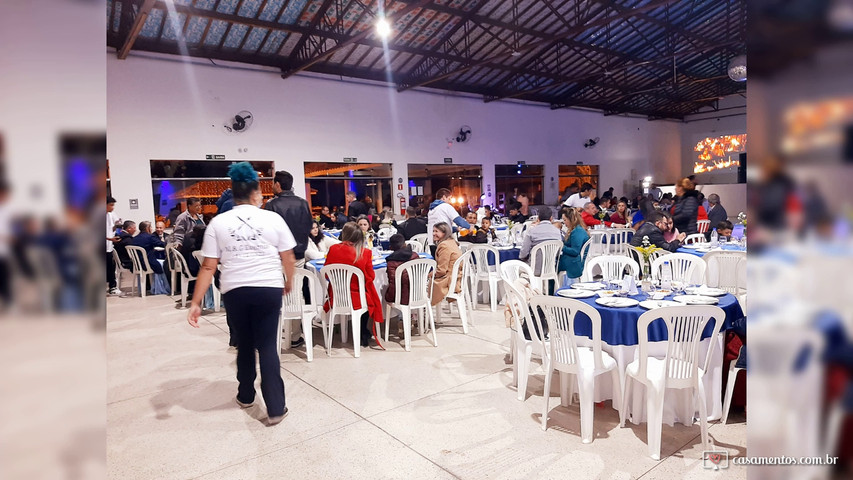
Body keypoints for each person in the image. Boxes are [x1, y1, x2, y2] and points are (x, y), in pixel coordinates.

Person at [187, 162, 296, 426]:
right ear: (257, 193)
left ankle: (246, 395)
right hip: (268, 287)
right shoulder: (272, 218)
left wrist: (196, 301)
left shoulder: (218, 223)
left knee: (245, 344)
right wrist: (289, 281)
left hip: (235, 290)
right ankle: (276, 407)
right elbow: (288, 256)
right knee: (267, 345)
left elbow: (209, 265)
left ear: (233, 194)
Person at [323, 222, 384, 348]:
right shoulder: (365, 253)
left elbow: (327, 275)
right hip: (357, 297)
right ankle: (363, 332)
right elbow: (370, 277)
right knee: (369, 296)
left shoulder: (333, 250)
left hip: (337, 296)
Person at [264, 170, 313, 267]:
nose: (272, 186)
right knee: (298, 281)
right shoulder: (303, 203)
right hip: (299, 255)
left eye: (273, 184)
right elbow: (309, 225)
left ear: (277, 184)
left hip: (280, 257)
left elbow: (268, 232)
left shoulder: (272, 204)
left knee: (283, 282)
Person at [430, 222, 463, 306]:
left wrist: (428, 275)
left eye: (436, 231)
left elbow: (441, 271)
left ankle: (421, 311)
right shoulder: (452, 242)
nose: (434, 234)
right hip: (456, 277)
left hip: (449, 280)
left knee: (420, 283)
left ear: (444, 233)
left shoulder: (444, 246)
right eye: (433, 231)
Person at [384, 233, 419, 306]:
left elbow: (393, 284)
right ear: (405, 244)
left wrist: (388, 297)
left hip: (402, 298)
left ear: (391, 247)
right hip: (419, 293)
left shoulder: (391, 262)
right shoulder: (415, 256)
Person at [558, 208, 589, 285]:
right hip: (573, 260)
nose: (564, 223)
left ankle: (551, 290)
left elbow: (575, 251)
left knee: (552, 264)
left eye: (565, 220)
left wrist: (561, 246)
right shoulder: (577, 229)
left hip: (573, 262)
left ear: (571, 219)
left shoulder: (577, 232)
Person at [106, 196, 122, 295]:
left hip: (108, 246)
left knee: (111, 266)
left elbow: (111, 228)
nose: (113, 207)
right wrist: (110, 239)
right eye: (111, 205)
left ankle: (112, 286)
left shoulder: (110, 214)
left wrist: (117, 225)